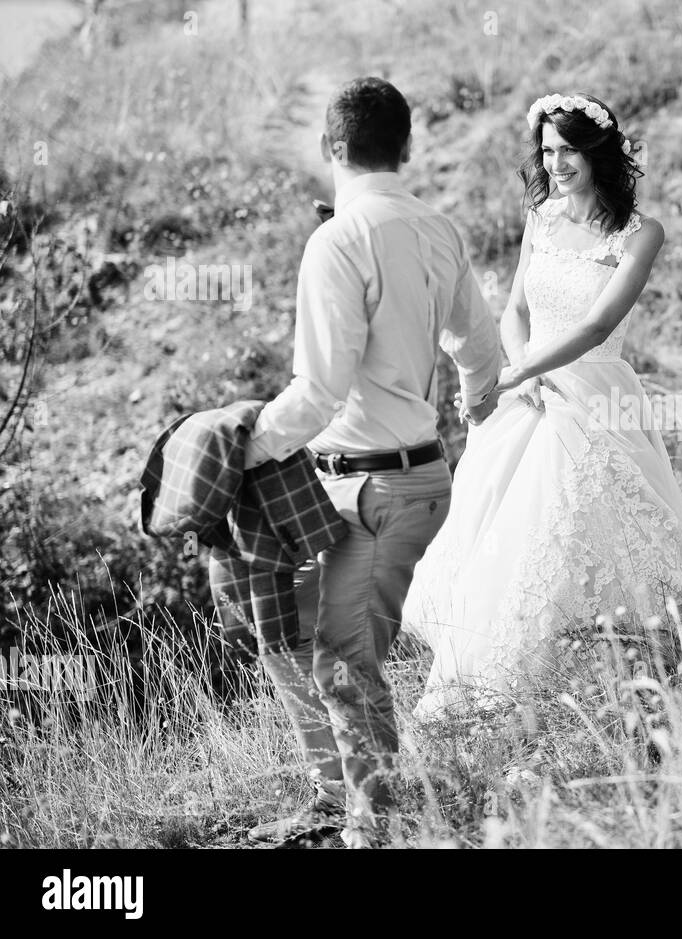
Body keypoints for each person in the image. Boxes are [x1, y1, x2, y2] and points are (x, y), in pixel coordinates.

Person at [401, 91, 682, 720]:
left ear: (598, 153)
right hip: (531, 394)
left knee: (591, 526)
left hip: (595, 394)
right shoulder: (540, 216)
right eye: (547, 151)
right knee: (511, 535)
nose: (556, 163)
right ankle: (499, 678)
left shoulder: (641, 233)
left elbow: (596, 325)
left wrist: (521, 372)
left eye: (567, 151)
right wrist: (524, 374)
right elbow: (514, 312)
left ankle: (648, 657)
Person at [243, 77, 501, 847]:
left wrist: (245, 443)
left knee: (345, 661)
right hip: (415, 476)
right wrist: (471, 412)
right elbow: (480, 355)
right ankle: (338, 802)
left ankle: (376, 826)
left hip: (367, 489)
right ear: (409, 148)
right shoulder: (441, 230)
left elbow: (318, 390)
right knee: (290, 639)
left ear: (331, 147)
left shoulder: (337, 241)